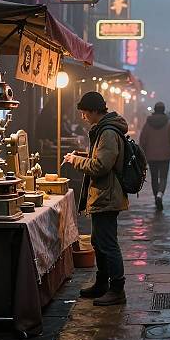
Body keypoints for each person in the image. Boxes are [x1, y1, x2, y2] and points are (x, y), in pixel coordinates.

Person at [63, 92, 129, 306]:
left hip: (107, 195)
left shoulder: (108, 133)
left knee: (108, 243)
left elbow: (101, 166)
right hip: (102, 194)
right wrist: (82, 157)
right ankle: (102, 283)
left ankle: (117, 289)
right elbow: (99, 160)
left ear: (93, 111)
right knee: (98, 242)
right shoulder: (103, 130)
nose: (82, 117)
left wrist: (75, 161)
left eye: (84, 112)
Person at [139, 102, 170, 211]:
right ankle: (160, 195)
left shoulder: (148, 124)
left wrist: (141, 154)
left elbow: (142, 140)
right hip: (165, 156)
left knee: (154, 178)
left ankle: (155, 196)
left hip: (151, 155)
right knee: (163, 177)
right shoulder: (169, 123)